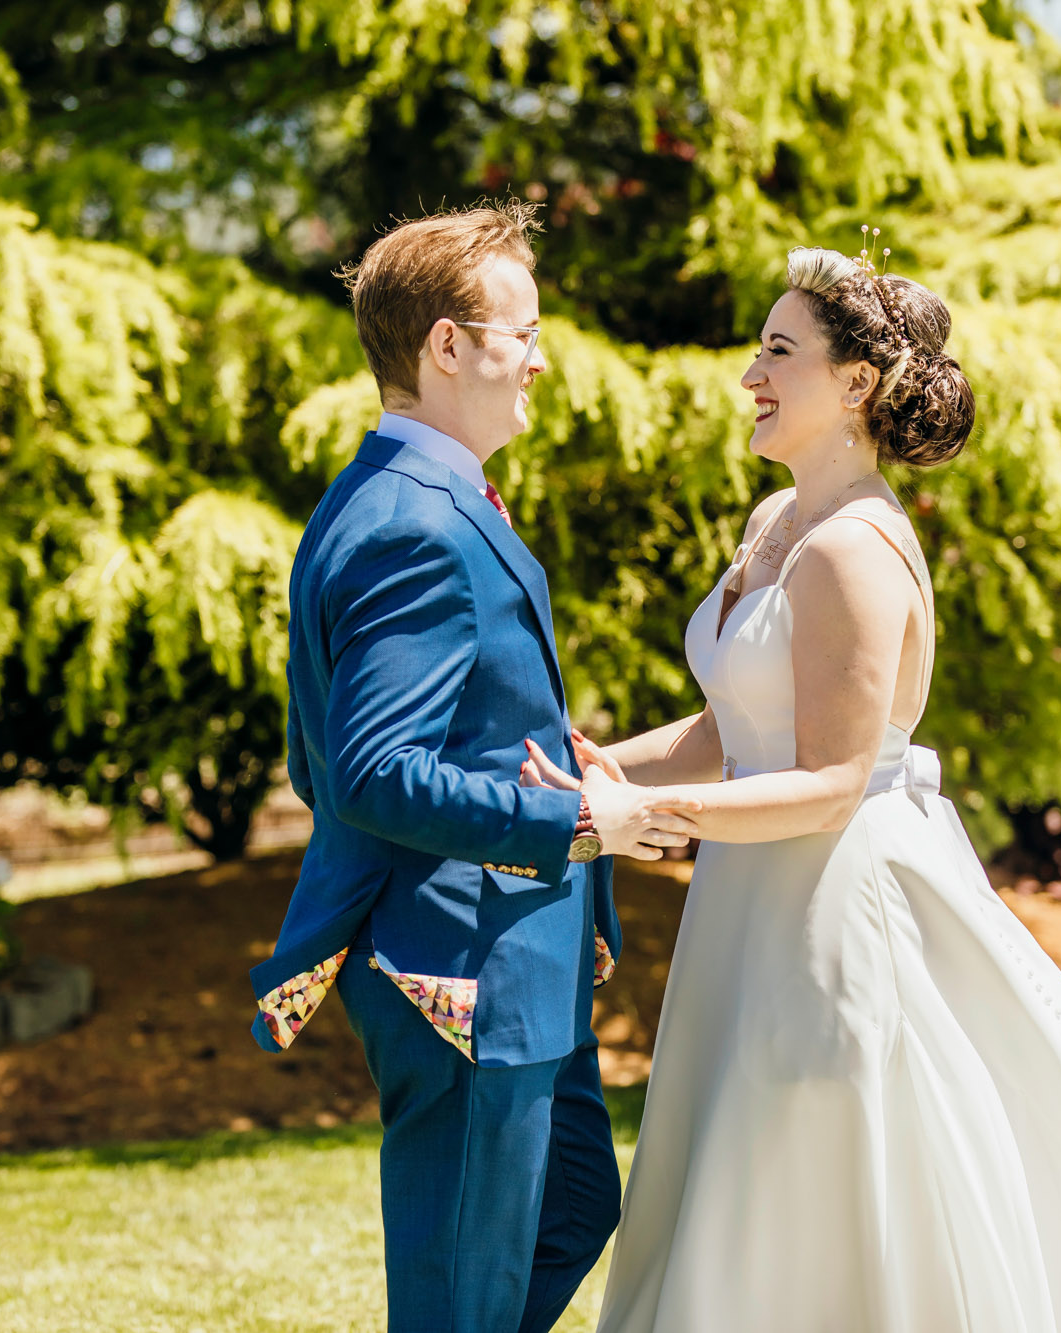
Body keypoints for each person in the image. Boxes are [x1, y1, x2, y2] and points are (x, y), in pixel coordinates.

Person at [522, 240, 1061, 1333]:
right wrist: (597, 769)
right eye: (756, 349)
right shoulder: (773, 528)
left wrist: (638, 822)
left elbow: (832, 781)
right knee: (741, 1149)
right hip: (749, 894)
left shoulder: (851, 550)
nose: (748, 375)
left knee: (832, 1156)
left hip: (832, 891)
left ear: (855, 386)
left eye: (777, 352)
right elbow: (729, 728)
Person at [246, 200, 702, 1333]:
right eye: (523, 333)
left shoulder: (419, 497)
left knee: (572, 1208)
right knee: (461, 1293)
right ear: (446, 345)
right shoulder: (414, 521)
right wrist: (582, 822)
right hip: (456, 965)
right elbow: (369, 772)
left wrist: (564, 771)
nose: (540, 361)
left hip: (516, 963)